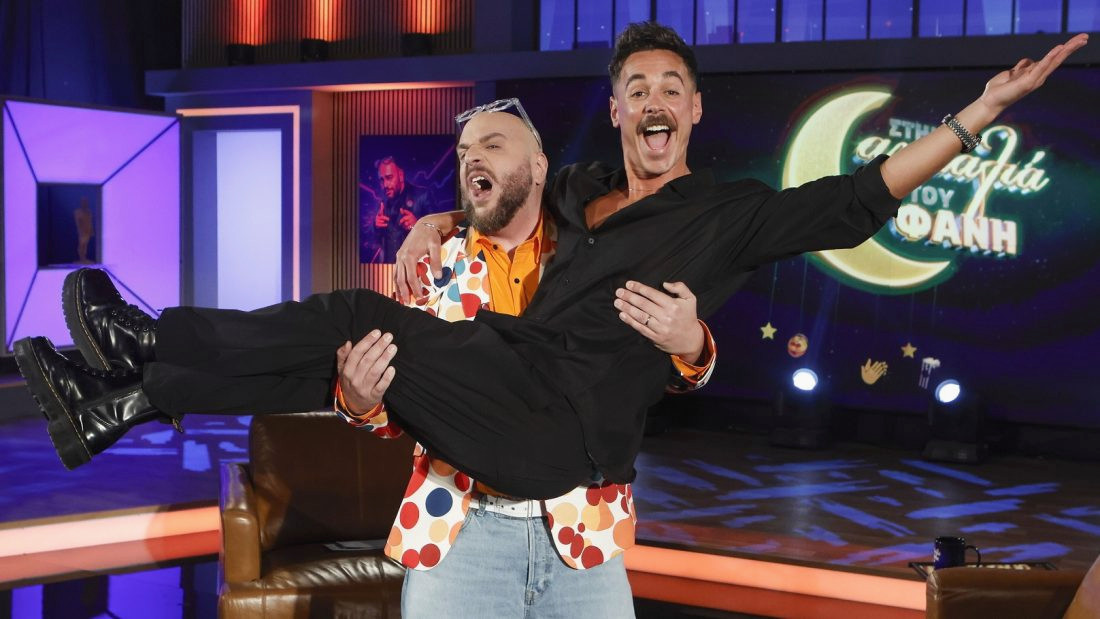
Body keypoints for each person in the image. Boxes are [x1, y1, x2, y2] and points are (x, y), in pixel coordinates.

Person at [14, 23, 1087, 499]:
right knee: (340, 344)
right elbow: (502, 191)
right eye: (637, 88)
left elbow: (855, 200)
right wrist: (438, 216)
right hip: (503, 380)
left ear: (694, 111)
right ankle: (124, 401)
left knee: (348, 309)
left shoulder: (730, 214)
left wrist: (972, 118)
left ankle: (147, 343)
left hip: (560, 433)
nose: (655, 100)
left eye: (672, 87)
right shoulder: (576, 190)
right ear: (616, 110)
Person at [335, 113, 715, 614]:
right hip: (458, 536)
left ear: (539, 167)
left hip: (585, 536)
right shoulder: (427, 266)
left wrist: (692, 345)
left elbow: (656, 378)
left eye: (492, 145)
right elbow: (396, 411)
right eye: (465, 150)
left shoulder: (596, 254)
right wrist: (359, 401)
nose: (472, 156)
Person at [363, 156, 434, 263]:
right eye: (382, 180)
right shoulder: (383, 204)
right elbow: (373, 241)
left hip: (416, 268)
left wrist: (418, 226)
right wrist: (375, 226)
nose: (385, 185)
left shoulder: (423, 196)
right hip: (388, 268)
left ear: (401, 176)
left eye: (389, 177)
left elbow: (441, 232)